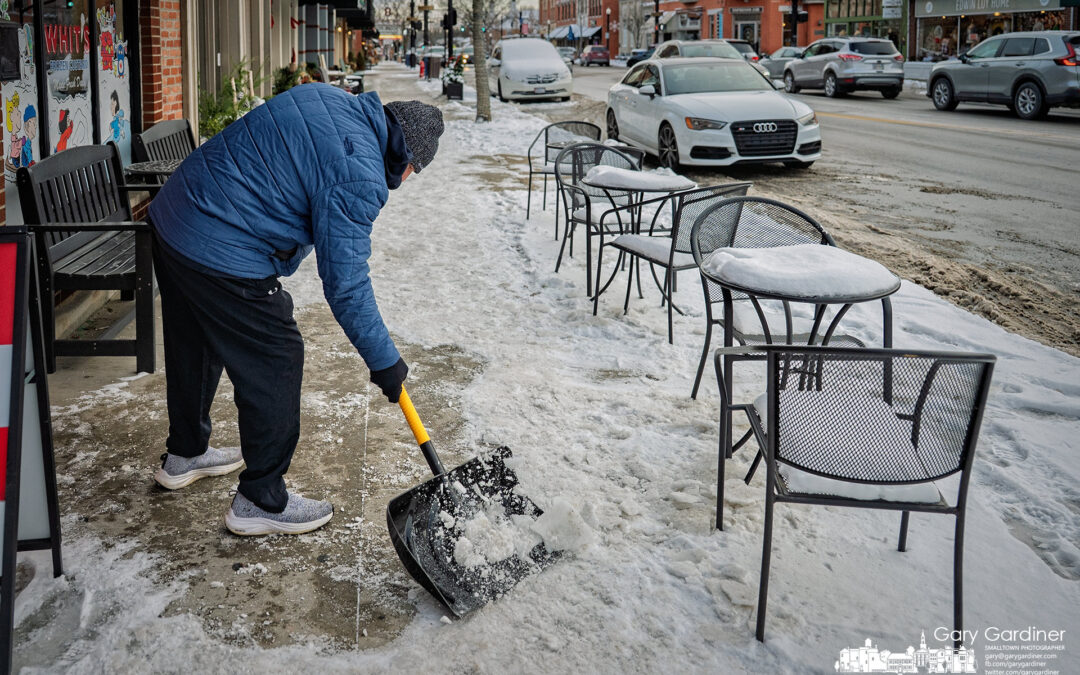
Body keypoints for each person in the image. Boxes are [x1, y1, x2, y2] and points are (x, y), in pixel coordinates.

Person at [147, 84, 444, 536]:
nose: (405, 182)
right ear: (405, 158)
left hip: (175, 214)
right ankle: (260, 498)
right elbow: (346, 284)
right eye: (413, 172)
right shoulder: (359, 172)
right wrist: (385, 362)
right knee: (277, 353)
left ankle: (185, 452)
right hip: (221, 240)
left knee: (197, 336)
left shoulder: (327, 97)